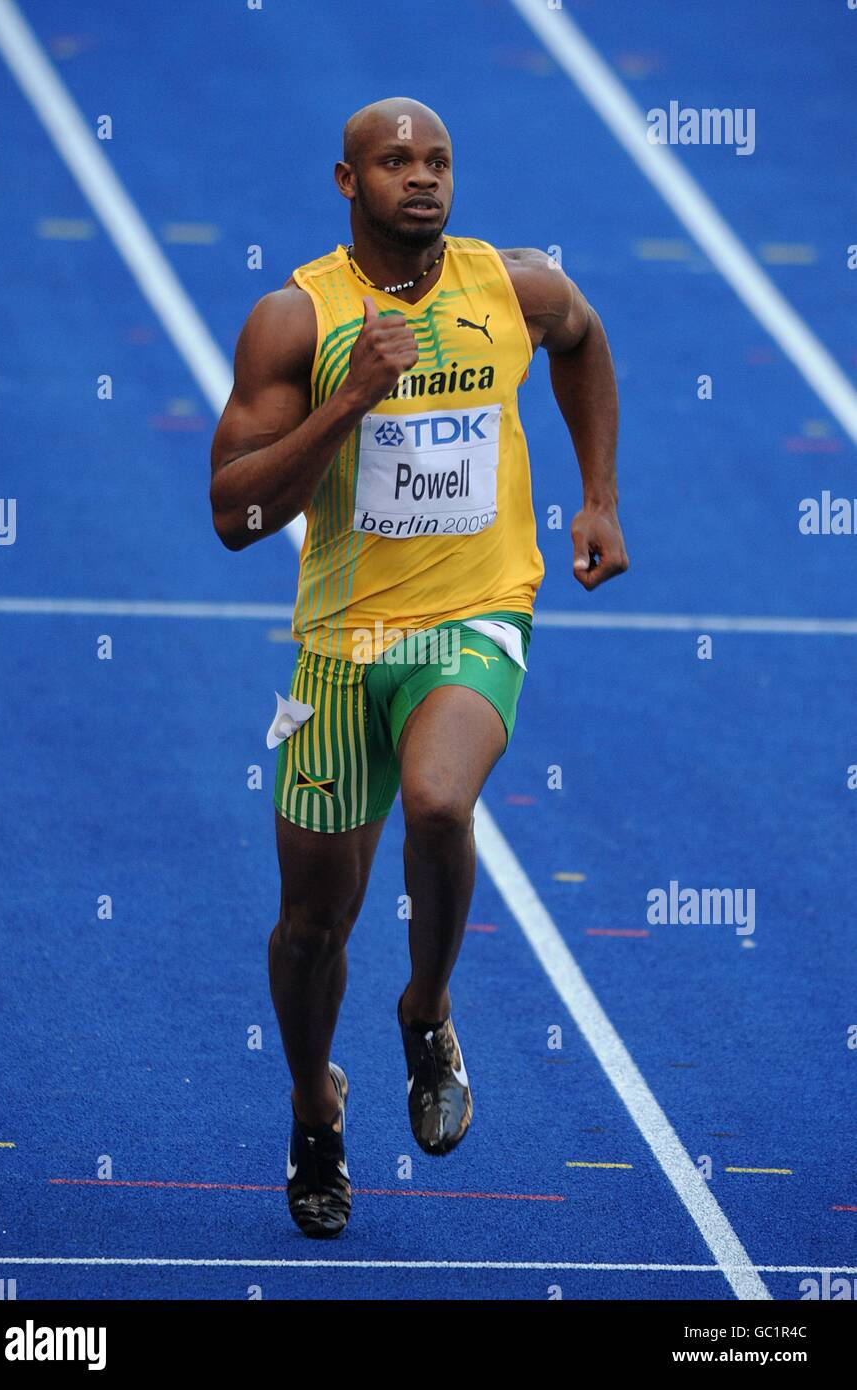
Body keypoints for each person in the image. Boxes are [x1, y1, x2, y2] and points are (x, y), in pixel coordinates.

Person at [210, 97, 628, 1238]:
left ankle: (425, 1008)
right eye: (394, 162)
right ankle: (313, 1105)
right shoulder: (294, 319)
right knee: (309, 930)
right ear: (347, 183)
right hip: (342, 646)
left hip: (475, 614)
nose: (421, 178)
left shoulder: (514, 287)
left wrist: (594, 498)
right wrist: (350, 398)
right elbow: (235, 513)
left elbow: (582, 337)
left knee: (441, 801)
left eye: (437, 160)